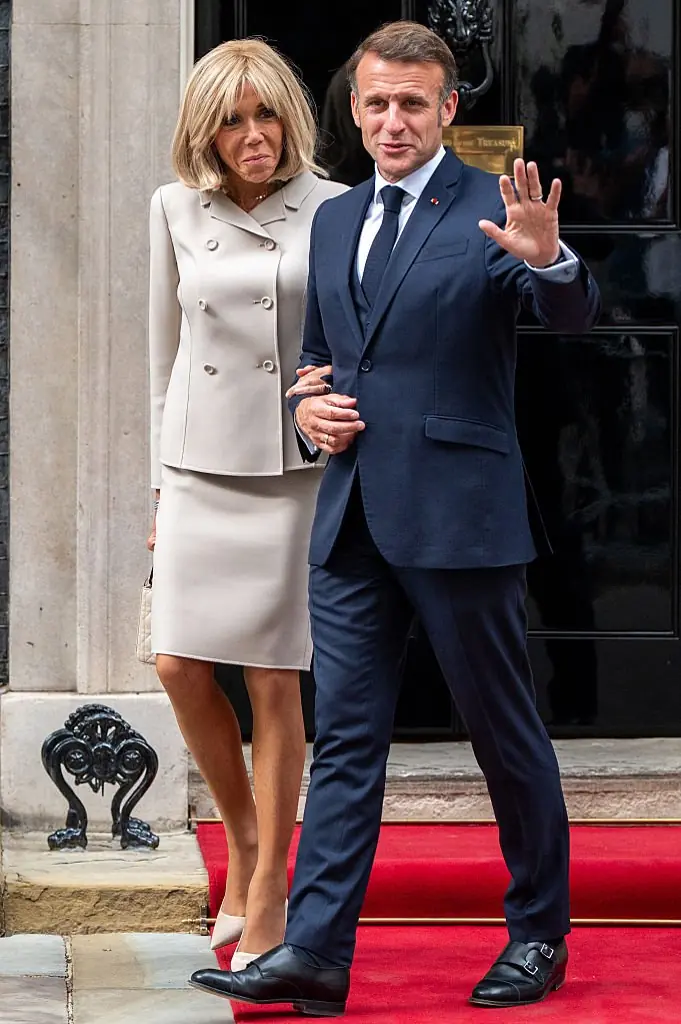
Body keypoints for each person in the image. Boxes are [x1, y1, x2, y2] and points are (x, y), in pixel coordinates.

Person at [190, 21, 600, 1015]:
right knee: (345, 742)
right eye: (376, 103)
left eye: (414, 102)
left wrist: (551, 265)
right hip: (355, 517)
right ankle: (318, 953)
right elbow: (321, 360)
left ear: (448, 110)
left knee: (504, 733)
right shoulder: (332, 220)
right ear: (355, 109)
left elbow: (571, 315)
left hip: (461, 516)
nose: (392, 120)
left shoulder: (488, 208)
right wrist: (308, 407)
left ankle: (539, 933)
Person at [148, 39, 346, 972]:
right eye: (232, 120)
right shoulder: (174, 208)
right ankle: (248, 836)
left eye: (266, 116)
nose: (252, 136)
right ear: (206, 129)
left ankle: (265, 892)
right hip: (197, 462)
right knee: (178, 663)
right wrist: (157, 487)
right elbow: (164, 356)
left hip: (293, 463)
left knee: (272, 678)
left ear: (290, 121)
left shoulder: (337, 208)